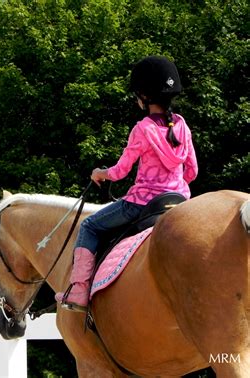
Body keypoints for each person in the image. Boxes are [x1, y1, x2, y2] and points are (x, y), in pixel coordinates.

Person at [55, 56, 198, 312]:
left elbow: (120, 172)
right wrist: (174, 186)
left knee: (89, 226)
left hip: (142, 203)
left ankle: (78, 291)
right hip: (179, 201)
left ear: (144, 96)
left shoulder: (142, 129)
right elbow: (193, 171)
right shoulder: (182, 125)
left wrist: (100, 173)